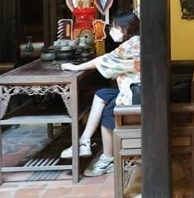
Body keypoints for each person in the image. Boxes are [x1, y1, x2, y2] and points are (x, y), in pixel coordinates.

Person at [59, 11, 140, 177]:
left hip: (137, 94)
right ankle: (85, 141)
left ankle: (107, 159)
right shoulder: (135, 42)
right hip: (135, 89)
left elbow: (104, 60)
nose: (111, 31)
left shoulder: (131, 45)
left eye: (114, 27)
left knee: (108, 112)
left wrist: (75, 67)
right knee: (102, 94)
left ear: (124, 28)